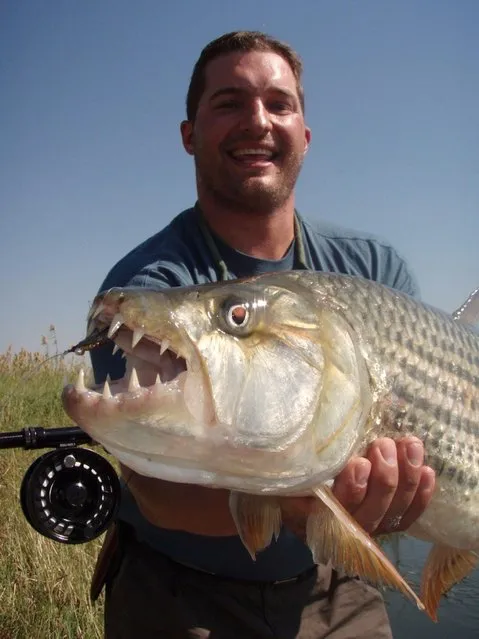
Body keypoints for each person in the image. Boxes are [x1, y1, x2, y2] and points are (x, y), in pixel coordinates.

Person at [90, 31, 436, 639]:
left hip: (335, 589)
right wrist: (299, 505)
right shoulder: (151, 288)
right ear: (188, 134)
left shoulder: (377, 273)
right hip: (179, 592)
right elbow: (155, 491)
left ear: (304, 133)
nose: (258, 122)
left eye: (279, 104)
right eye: (228, 103)